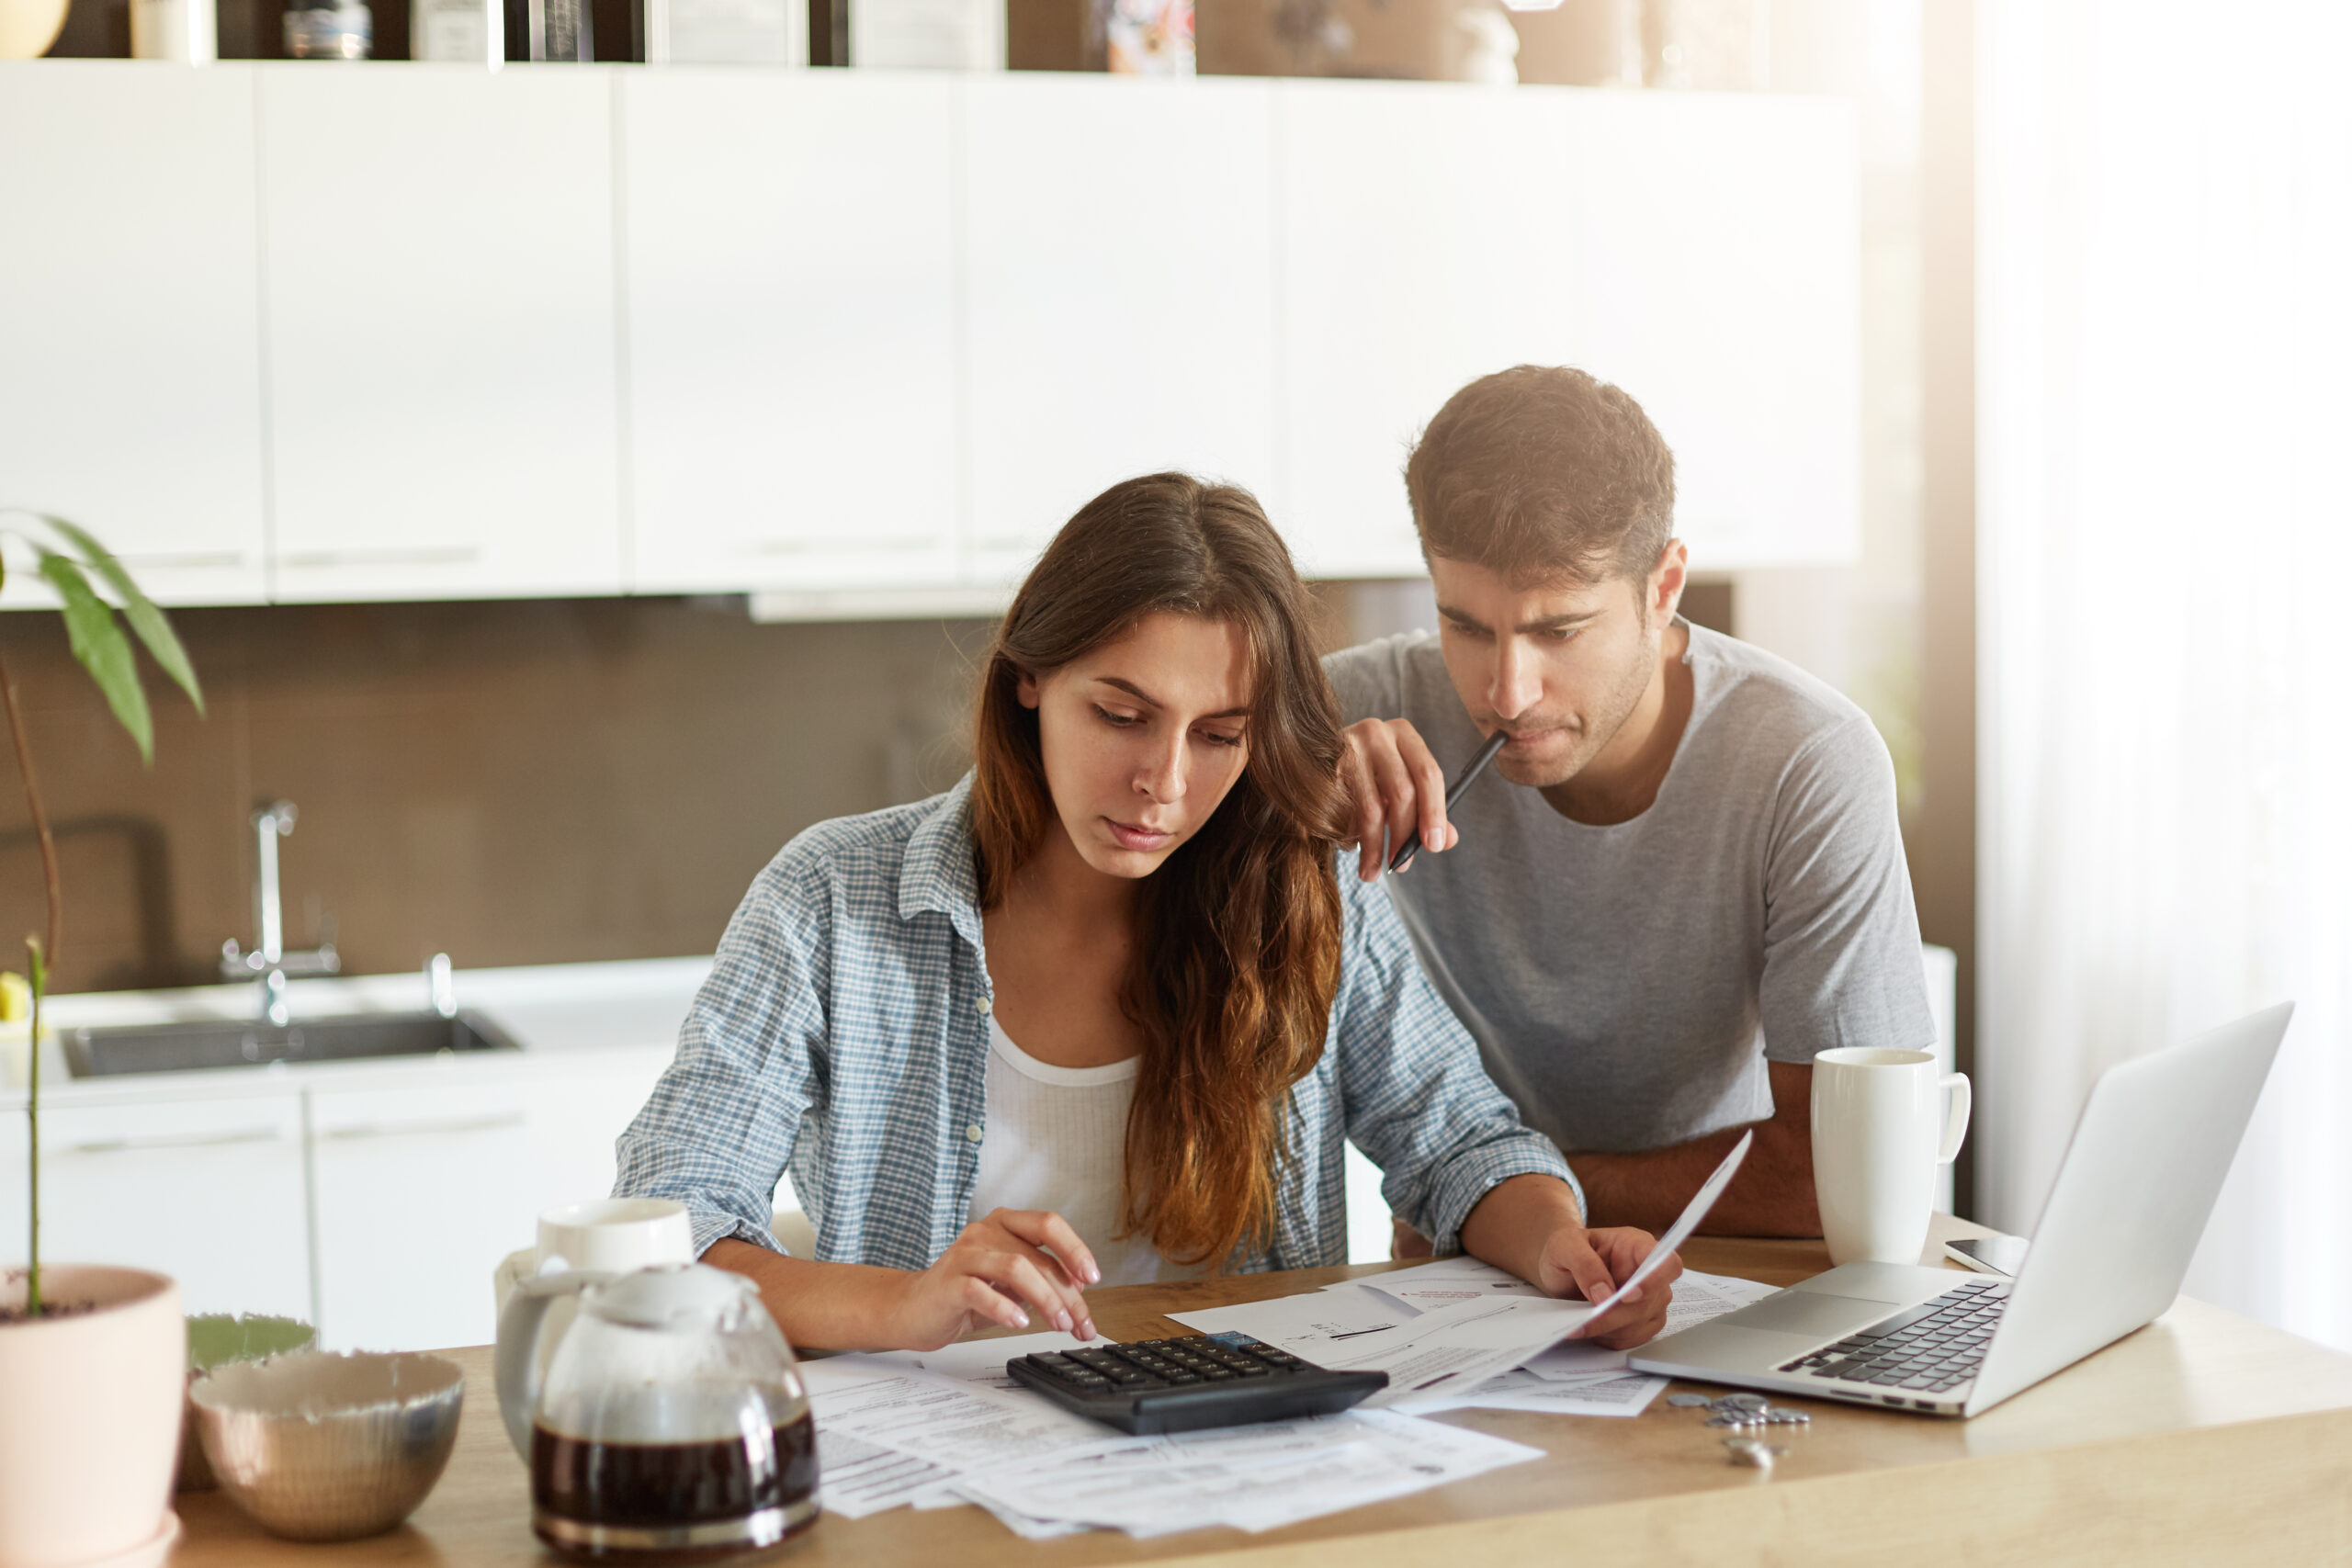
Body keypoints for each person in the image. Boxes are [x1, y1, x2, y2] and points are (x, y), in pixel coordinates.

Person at [615, 472, 1683, 1353]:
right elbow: (664, 1233)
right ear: (1030, 676)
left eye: (1220, 736)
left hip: (1245, 1452)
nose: (1162, 784)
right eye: (1121, 716)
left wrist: (1557, 1246)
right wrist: (905, 1306)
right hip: (944, 1466)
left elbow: (1459, 1143)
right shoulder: (830, 905)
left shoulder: (1301, 897)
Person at [1328, 367, 1936, 1241]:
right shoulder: (1361, 715)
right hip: (1462, 1293)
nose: (1506, 690)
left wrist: (1497, 1193)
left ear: (1663, 587)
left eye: (1559, 630)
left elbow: (1837, 1172)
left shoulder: (1807, 761)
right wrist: (1283, 788)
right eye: (1465, 626)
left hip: (1726, 1271)